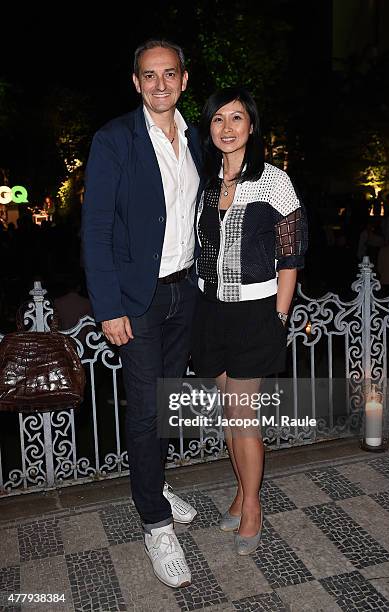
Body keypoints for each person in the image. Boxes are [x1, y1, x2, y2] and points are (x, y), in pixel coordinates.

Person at [81, 39, 201, 588]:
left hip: (186, 292)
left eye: (168, 74)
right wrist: (108, 307)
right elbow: (97, 231)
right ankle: (154, 522)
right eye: (148, 75)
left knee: (170, 402)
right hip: (139, 299)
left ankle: (156, 484)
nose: (159, 83)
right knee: (146, 410)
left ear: (182, 79)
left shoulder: (198, 138)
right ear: (136, 83)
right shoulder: (114, 141)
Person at [192, 87, 307, 554]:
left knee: (244, 417)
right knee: (230, 415)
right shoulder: (205, 181)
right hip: (211, 311)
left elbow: (291, 252)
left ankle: (254, 505)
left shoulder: (274, 181)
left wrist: (280, 314)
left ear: (251, 125)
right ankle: (242, 492)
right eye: (218, 119)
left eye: (236, 118)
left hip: (256, 310)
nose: (227, 127)